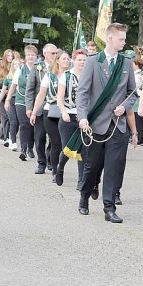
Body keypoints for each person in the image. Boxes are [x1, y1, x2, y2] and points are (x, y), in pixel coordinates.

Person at [76, 23, 138, 222]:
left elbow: (133, 92)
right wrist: (82, 116)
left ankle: (109, 208)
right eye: (121, 38)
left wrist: (124, 105)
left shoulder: (126, 63)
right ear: (110, 38)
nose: (124, 41)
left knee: (113, 167)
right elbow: (83, 92)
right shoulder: (93, 61)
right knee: (92, 165)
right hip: (96, 125)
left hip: (118, 125)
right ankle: (84, 196)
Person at [31, 50, 70, 181]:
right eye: (64, 59)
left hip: (67, 112)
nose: (66, 61)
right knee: (56, 142)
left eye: (68, 59)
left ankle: (60, 166)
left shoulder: (72, 76)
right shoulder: (49, 76)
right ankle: (56, 171)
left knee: (65, 145)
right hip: (51, 112)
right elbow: (41, 95)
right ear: (57, 61)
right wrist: (34, 112)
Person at [56, 50, 87, 188]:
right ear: (74, 60)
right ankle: (60, 168)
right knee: (67, 149)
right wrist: (63, 112)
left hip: (84, 117)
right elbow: (59, 98)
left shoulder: (89, 76)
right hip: (69, 115)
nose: (82, 62)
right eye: (79, 60)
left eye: (84, 60)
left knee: (83, 150)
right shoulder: (66, 76)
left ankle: (81, 181)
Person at [27, 44, 58, 174]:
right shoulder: (37, 68)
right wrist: (29, 108)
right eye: (53, 53)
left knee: (54, 138)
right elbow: (30, 89)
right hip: (40, 107)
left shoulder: (59, 67)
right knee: (39, 138)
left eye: (56, 53)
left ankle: (51, 160)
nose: (56, 55)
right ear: (45, 54)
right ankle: (41, 162)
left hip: (54, 108)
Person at [5, 45, 38, 161]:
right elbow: (13, 85)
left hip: (35, 101)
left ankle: (30, 147)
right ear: (25, 56)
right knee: (24, 125)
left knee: (32, 126)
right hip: (21, 100)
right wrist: (8, 100)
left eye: (33, 55)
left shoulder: (39, 68)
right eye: (28, 55)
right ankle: (23, 150)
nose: (30, 57)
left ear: (36, 56)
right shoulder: (21, 69)